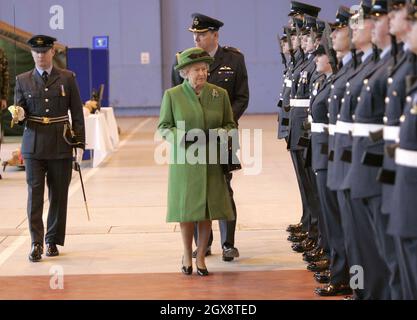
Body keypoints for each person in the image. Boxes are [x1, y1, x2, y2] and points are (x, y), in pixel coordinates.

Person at [172, 13, 249, 262]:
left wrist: (223, 124)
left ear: (215, 35)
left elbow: (241, 97)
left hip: (222, 136)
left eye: (202, 34)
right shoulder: (185, 62)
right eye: (194, 34)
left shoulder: (234, 59)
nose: (196, 38)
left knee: (223, 188)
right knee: (195, 190)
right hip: (192, 140)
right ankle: (203, 245)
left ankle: (228, 243)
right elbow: (177, 97)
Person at [159, 47, 236, 276]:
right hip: (185, 162)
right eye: (196, 70)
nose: (201, 73)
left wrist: (218, 134)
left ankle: (201, 255)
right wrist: (181, 138)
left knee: (206, 211)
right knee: (187, 212)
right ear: (184, 73)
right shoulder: (172, 96)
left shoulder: (219, 94)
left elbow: (231, 125)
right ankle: (186, 252)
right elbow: (163, 127)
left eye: (204, 69)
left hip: (212, 162)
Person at [8, 35, 85, 262]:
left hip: (61, 144)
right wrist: (19, 116)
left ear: (53, 52)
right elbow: (18, 112)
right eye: (36, 52)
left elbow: (77, 114)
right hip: (33, 145)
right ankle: (36, 242)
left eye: (44, 52)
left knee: (59, 195)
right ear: (32, 54)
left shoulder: (67, 78)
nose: (41, 56)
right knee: (35, 195)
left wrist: (79, 143)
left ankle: (52, 240)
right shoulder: (22, 80)